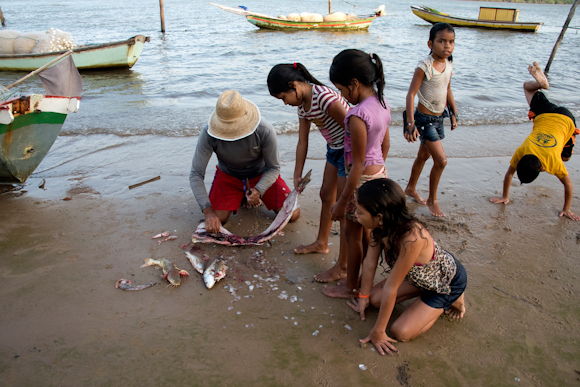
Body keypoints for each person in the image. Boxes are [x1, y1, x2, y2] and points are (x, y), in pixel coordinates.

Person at [348, 178, 467, 356]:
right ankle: (423, 294)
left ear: (379, 217)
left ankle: (455, 297)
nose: (356, 215)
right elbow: (370, 263)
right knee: (373, 300)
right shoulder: (381, 228)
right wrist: (363, 296)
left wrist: (379, 331)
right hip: (418, 278)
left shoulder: (412, 238)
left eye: (360, 211)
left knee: (400, 332)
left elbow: (391, 288)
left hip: (445, 281)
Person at [267, 62, 349, 283]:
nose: (285, 103)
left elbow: (353, 128)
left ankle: (344, 265)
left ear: (294, 85)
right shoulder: (303, 105)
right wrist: (297, 173)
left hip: (348, 151)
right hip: (333, 150)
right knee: (325, 195)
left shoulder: (323, 97)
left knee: (343, 207)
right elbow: (302, 141)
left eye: (283, 97)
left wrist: (356, 163)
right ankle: (322, 243)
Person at [322, 49, 391, 298]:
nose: (341, 95)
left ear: (354, 84)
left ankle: (351, 286)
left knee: (352, 234)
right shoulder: (381, 103)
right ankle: (360, 281)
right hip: (379, 172)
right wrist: (378, 172)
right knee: (364, 233)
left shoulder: (356, 115)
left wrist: (341, 202)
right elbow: (385, 145)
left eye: (341, 89)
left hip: (360, 179)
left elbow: (357, 163)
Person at [189, 90, 300, 233]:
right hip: (228, 176)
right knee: (217, 219)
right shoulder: (208, 133)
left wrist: (259, 190)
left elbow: (273, 168)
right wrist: (207, 211)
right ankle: (241, 197)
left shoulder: (264, 130)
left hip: (260, 174)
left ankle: (251, 196)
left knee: (292, 215)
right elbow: (196, 174)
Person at [490, 62, 580, 221]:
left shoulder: (553, 162)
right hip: (546, 114)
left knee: (565, 158)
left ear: (541, 169)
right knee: (527, 87)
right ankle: (540, 84)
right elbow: (510, 173)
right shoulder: (523, 150)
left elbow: (569, 185)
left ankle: (541, 83)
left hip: (564, 119)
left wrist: (505, 196)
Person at [403, 22, 458, 217]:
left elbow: (447, 88)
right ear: (430, 43)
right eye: (441, 41)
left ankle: (410, 188)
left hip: (438, 118)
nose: (447, 46)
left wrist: (453, 111)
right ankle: (432, 200)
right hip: (424, 119)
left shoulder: (449, 63)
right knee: (441, 161)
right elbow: (411, 94)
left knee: (423, 156)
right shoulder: (424, 66)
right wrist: (410, 123)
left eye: (451, 42)